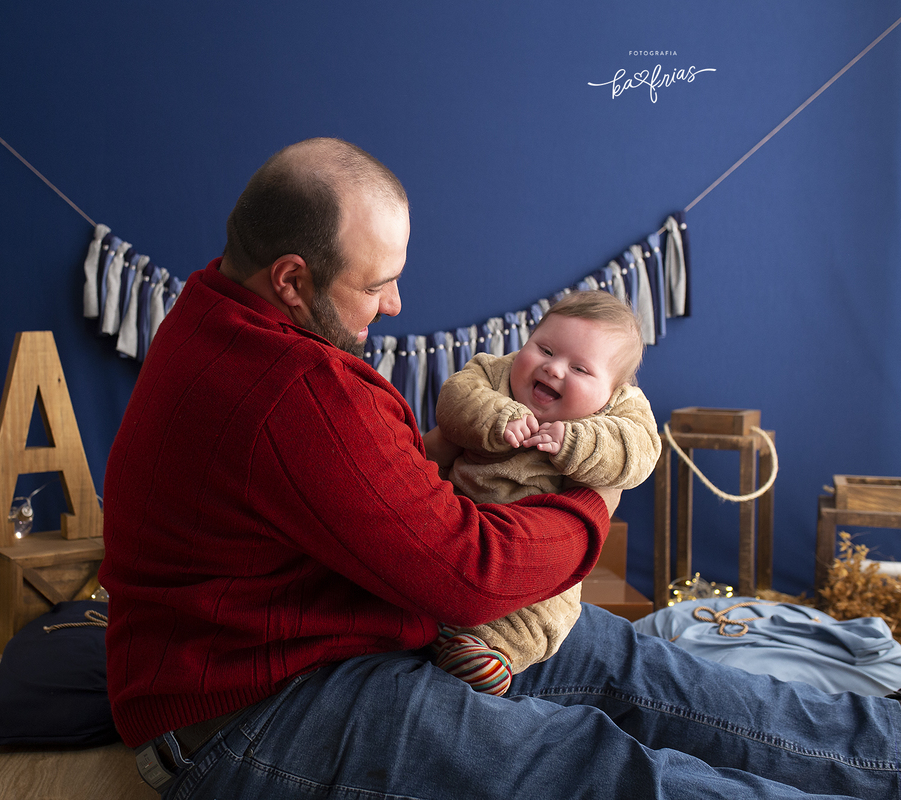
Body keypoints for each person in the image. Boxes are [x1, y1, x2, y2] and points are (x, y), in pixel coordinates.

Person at [99, 137, 900, 799]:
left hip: (369, 624)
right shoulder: (297, 387)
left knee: (651, 671)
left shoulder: (212, 307)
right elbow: (469, 573)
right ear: (291, 280)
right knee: (601, 770)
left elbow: (382, 502)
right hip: (255, 714)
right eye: (376, 284)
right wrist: (596, 501)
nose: (395, 305)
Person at [424, 290, 661, 693]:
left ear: (612, 390)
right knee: (429, 563)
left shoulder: (620, 409)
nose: (553, 368)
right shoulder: (494, 373)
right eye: (544, 349)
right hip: (462, 515)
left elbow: (639, 451)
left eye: (580, 369)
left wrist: (578, 442)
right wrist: (499, 416)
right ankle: (432, 625)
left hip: (540, 547)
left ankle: (489, 650)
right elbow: (455, 398)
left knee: (544, 612)